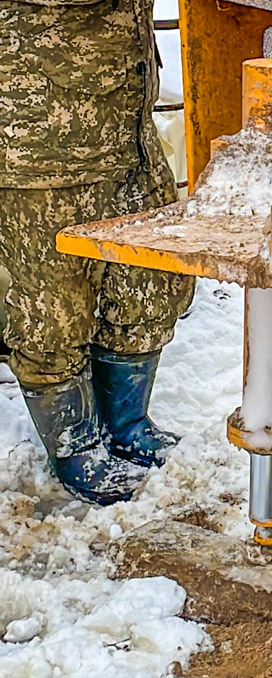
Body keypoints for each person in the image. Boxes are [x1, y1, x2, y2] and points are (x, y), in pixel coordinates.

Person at [0, 0, 193, 504]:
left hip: (126, 125)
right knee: (54, 311)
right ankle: (75, 445)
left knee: (149, 285)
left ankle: (126, 423)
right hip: (44, 139)